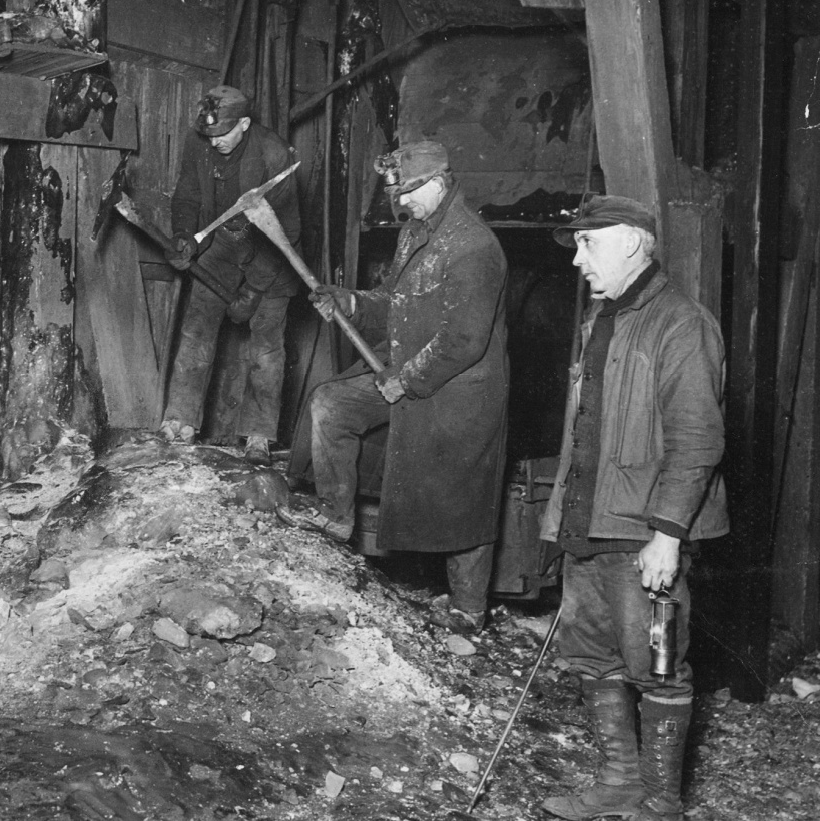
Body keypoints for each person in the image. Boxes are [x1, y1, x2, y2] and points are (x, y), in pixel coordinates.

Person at [538, 196, 726, 821]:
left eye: (588, 245)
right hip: (588, 523)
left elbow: (698, 439)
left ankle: (662, 800)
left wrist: (668, 534)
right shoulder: (604, 318)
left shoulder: (681, 323)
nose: (578, 262)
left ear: (630, 241)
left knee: (658, 665)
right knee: (594, 657)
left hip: (642, 530)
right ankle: (620, 782)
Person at [306, 140, 509, 635]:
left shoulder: (473, 246)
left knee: (463, 502)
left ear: (440, 182)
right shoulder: (415, 233)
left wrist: (406, 380)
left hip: (460, 390)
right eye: (398, 194)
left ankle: (467, 612)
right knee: (331, 404)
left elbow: (462, 341)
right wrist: (351, 303)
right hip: (408, 370)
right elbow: (394, 302)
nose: (402, 203)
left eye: (410, 192)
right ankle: (336, 517)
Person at [160, 85, 302, 463]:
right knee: (195, 334)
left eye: (223, 134)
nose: (215, 142)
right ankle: (180, 423)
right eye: (209, 134)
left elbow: (287, 232)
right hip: (220, 248)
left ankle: (258, 436)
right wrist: (183, 237)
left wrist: (254, 289)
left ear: (244, 123)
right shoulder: (201, 142)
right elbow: (187, 194)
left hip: (273, 257)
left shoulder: (275, 155)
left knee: (266, 349)